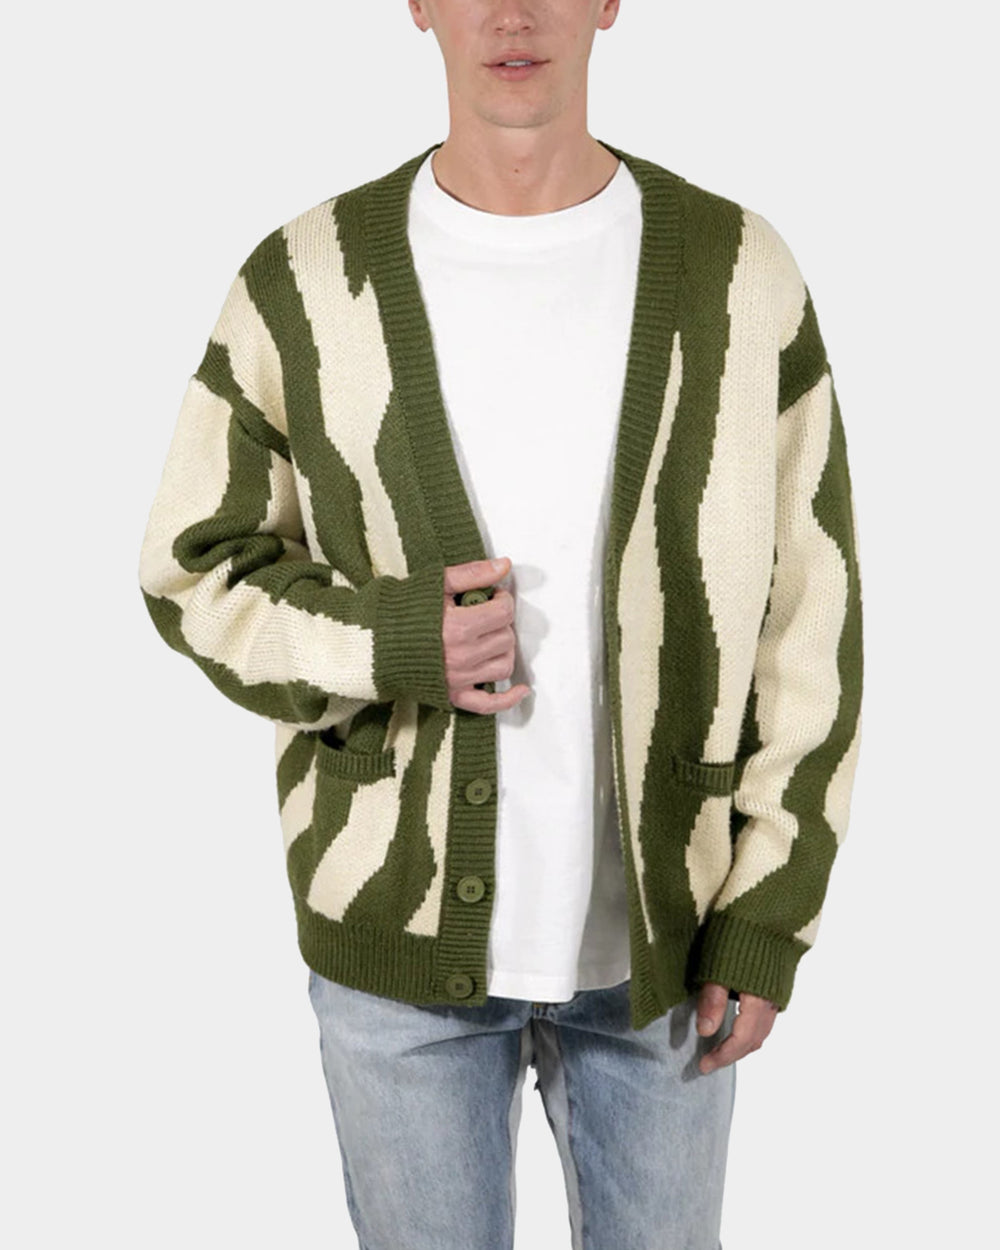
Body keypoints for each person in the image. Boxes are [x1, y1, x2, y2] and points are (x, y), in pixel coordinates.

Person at [137, 2, 864, 1246]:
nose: (512, 12)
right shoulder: (302, 281)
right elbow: (191, 569)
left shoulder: (738, 273)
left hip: (666, 952)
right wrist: (384, 641)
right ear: (417, 3)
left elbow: (813, 612)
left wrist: (766, 908)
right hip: (393, 952)